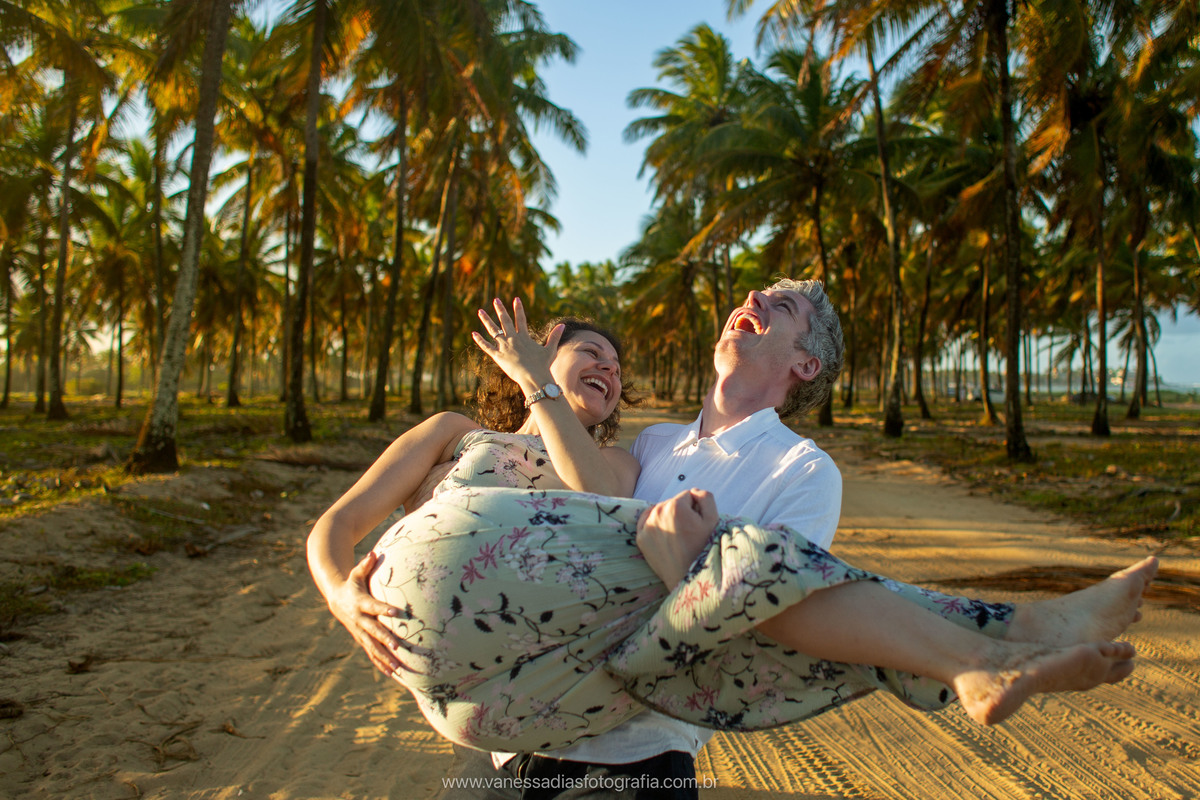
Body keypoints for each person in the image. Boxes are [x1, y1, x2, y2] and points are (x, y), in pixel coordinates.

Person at [307, 291, 1156, 795]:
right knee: (735, 559)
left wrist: (686, 565)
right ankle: (1001, 637)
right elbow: (335, 528)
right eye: (582, 352)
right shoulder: (621, 445)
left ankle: (996, 646)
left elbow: (746, 613)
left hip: (626, 739)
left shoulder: (647, 458)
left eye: (613, 360)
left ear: (804, 365)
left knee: (755, 567)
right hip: (489, 720)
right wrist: (344, 596)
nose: (604, 364)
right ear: (530, 359)